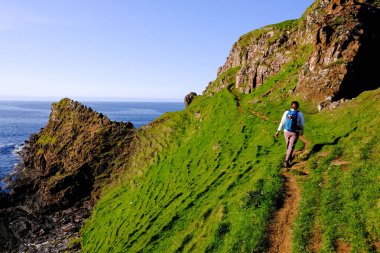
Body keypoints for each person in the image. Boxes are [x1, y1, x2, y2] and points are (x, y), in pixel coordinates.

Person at [275, 101, 304, 168]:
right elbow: (302, 124)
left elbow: (282, 122)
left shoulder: (286, 112)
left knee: (288, 145)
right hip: (295, 132)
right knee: (291, 146)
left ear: (291, 106)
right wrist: (302, 131)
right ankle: (287, 160)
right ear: (298, 107)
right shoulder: (299, 114)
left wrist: (278, 131)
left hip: (286, 131)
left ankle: (288, 158)